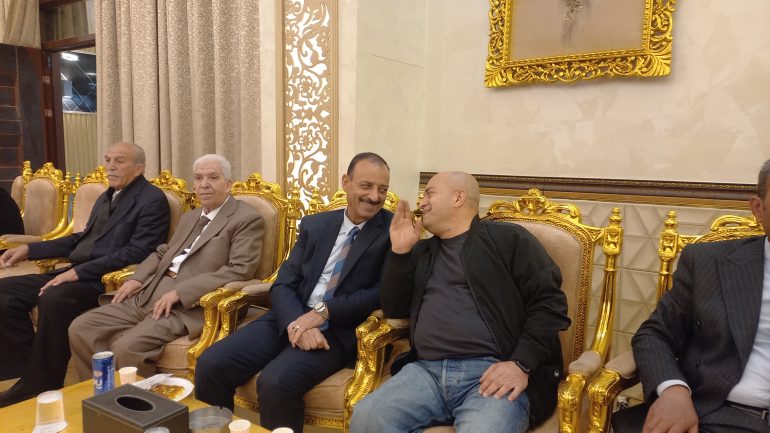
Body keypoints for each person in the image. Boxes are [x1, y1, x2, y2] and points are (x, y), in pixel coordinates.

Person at [349, 171, 570, 433]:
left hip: (492, 372)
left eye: (429, 193)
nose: (421, 203)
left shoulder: (508, 239)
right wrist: (400, 252)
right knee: (367, 418)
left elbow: (549, 304)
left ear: (458, 198)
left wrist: (520, 363)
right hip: (425, 372)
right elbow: (395, 309)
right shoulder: (422, 252)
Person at [195, 152, 392, 433]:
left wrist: (323, 313)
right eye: (366, 186)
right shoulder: (316, 225)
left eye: (382, 189)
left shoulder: (391, 231)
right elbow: (284, 283)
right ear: (346, 183)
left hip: (337, 330)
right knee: (211, 364)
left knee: (276, 382)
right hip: (290, 315)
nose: (374, 196)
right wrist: (296, 323)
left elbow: (382, 292)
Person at [0, 142, 170, 406]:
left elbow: (138, 252)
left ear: (139, 168)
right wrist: (30, 249)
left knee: (54, 298)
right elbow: (81, 239)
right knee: (5, 291)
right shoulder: (107, 196)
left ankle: (42, 382)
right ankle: (28, 372)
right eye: (108, 159)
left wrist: (79, 272)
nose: (110, 166)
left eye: (119, 161)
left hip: (105, 279)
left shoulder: (152, 200)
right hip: (77, 271)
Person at [68, 154, 264, 379]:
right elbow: (164, 252)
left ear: (228, 184)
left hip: (188, 304)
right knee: (81, 327)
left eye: (213, 177)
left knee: (126, 348)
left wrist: (180, 292)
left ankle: (134, 400)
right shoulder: (191, 217)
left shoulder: (246, 218)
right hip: (149, 291)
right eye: (198, 178)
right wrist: (136, 278)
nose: (204, 184)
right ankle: (101, 391)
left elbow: (240, 269)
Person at [612, 159, 770, 433]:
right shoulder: (709, 263)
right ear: (758, 208)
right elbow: (654, 335)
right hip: (715, 414)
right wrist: (673, 391)